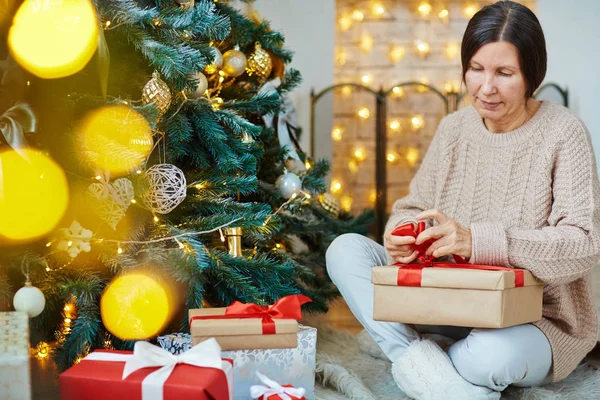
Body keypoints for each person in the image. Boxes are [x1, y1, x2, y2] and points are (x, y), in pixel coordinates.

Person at [326, 1, 600, 399]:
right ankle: (424, 364)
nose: (485, 87)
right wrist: (404, 233)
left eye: (504, 73)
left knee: (484, 358)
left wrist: (477, 240)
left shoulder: (564, 133)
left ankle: (417, 358)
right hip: (446, 304)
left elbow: (583, 244)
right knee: (344, 249)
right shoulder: (454, 128)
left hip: (535, 323)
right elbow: (411, 206)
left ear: (531, 76)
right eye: (476, 69)